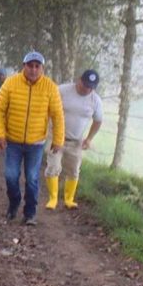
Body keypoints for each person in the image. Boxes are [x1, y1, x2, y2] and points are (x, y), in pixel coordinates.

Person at [0, 51, 64, 225]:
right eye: (30, 66)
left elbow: (58, 115)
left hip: (36, 143)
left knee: (32, 178)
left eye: (37, 66)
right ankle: (14, 202)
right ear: (24, 66)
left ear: (42, 68)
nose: (33, 70)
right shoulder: (11, 83)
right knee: (11, 176)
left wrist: (58, 140)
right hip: (13, 141)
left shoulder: (50, 87)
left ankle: (30, 213)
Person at [45, 70, 103, 210]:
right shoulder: (62, 90)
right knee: (53, 166)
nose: (87, 89)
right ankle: (53, 199)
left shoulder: (95, 100)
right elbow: (47, 108)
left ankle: (69, 200)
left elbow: (98, 121)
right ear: (79, 80)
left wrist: (89, 139)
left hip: (76, 142)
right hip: (56, 137)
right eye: (85, 85)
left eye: (91, 87)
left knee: (74, 170)